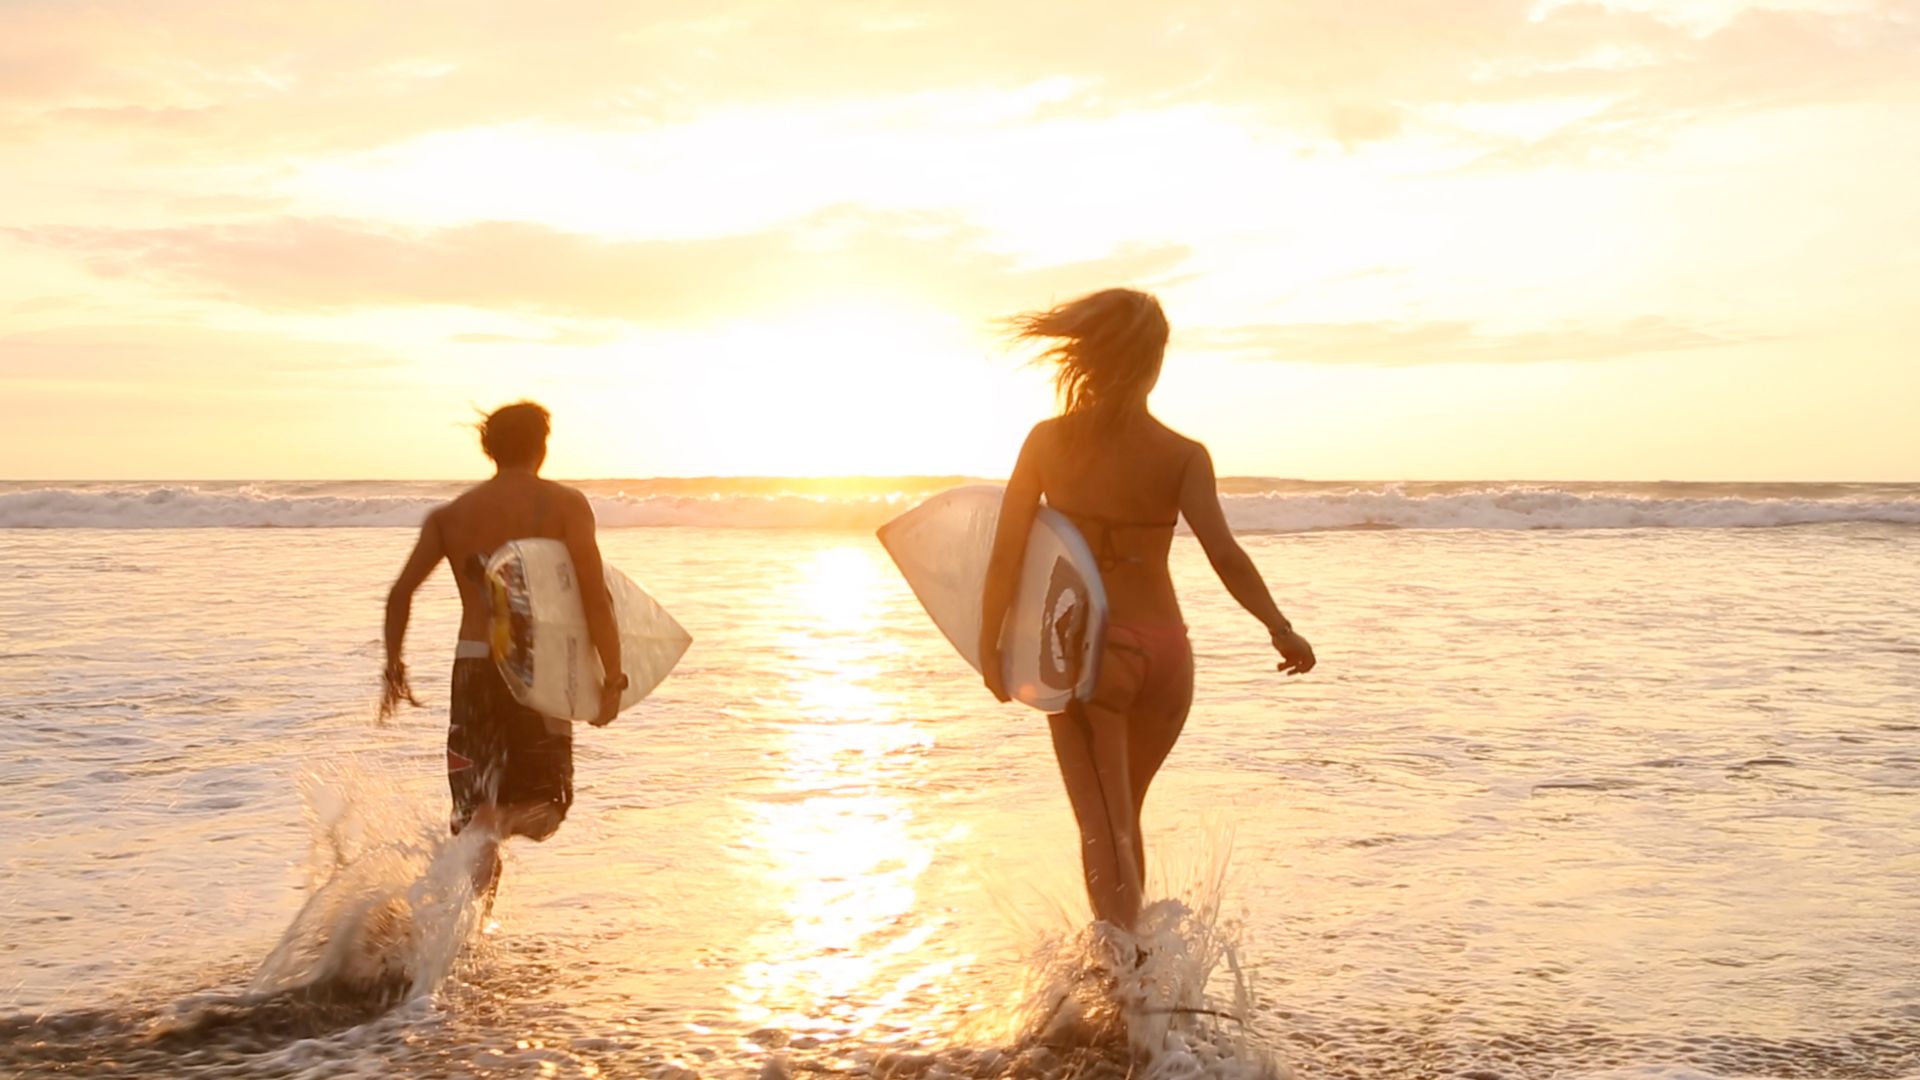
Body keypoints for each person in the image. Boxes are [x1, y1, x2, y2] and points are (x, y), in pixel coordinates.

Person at [980, 288, 1316, 933]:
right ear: (1153, 362)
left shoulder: (1049, 441)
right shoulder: (1183, 453)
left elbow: (1005, 553)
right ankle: (1142, 984)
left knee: (1102, 828)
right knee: (1125, 816)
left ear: (1089, 357)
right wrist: (1280, 628)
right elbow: (1226, 554)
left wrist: (990, 646)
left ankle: (1130, 992)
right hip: (1167, 655)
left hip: (1094, 656)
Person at [379, 401, 626, 895]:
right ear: (542, 446)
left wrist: (394, 666)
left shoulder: (450, 516)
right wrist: (612, 677)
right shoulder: (565, 505)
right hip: (538, 667)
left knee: (474, 815)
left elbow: (400, 594)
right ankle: (498, 824)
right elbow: (594, 597)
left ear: (489, 449)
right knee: (545, 808)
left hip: (473, 665)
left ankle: (463, 940)